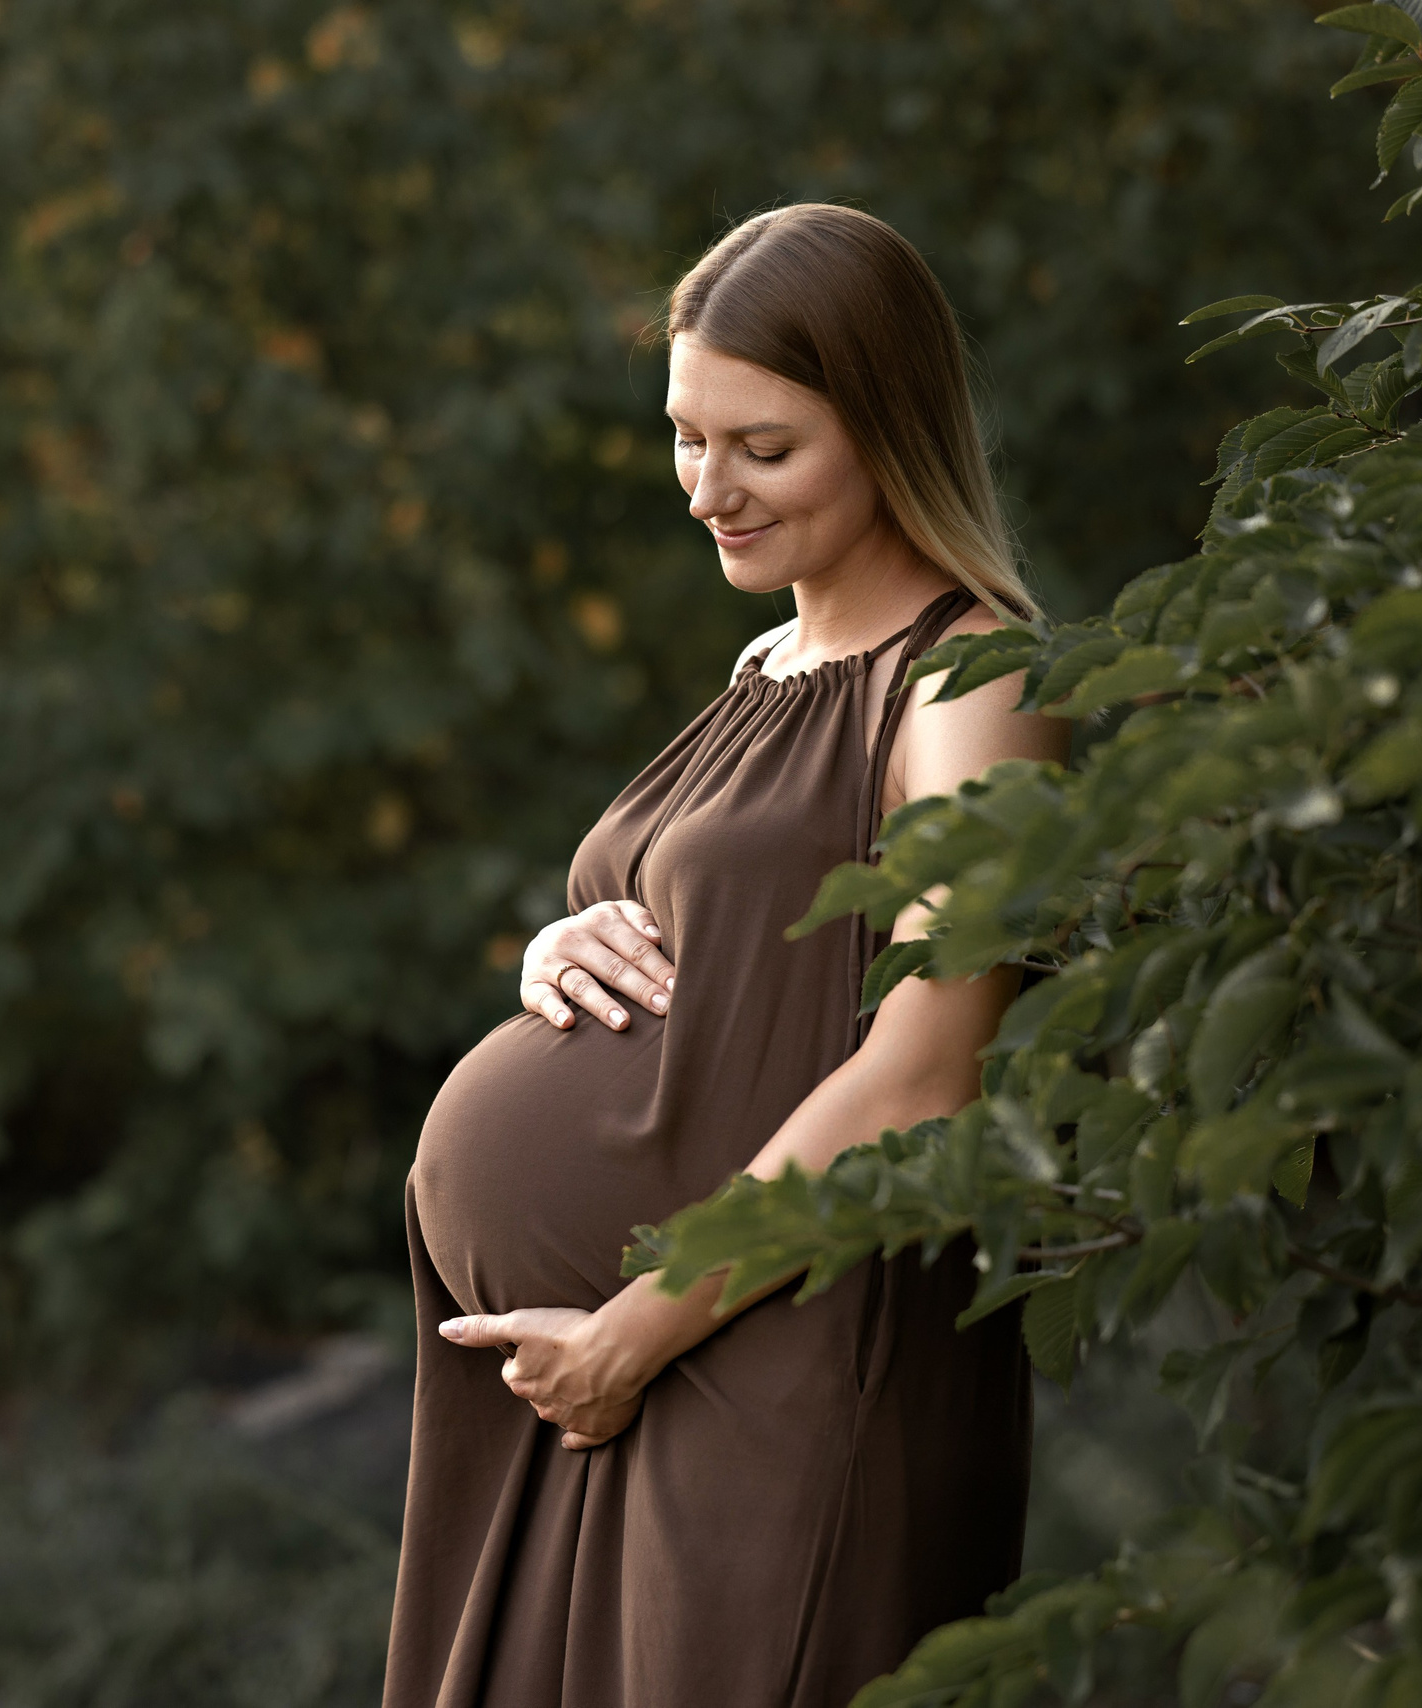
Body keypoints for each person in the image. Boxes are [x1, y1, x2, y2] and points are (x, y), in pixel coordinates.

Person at [384, 204, 1070, 1708]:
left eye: (764, 448)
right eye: (689, 439)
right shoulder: (770, 664)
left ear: (889, 427)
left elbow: (925, 1069)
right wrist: (562, 944)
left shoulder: (972, 684)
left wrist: (634, 1331)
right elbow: (730, 954)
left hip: (781, 1369)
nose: (709, 491)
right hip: (615, 1374)